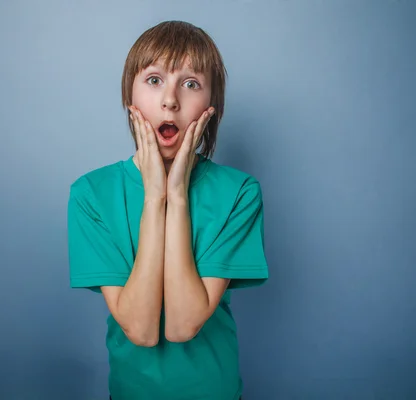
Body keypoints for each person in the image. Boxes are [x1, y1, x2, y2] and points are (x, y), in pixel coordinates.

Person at [67, 20, 269, 400]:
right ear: (131, 94)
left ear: (212, 106)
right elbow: (141, 330)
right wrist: (153, 196)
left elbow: (182, 325)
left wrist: (175, 196)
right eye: (154, 79)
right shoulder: (91, 194)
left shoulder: (239, 192)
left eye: (190, 83)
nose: (170, 100)